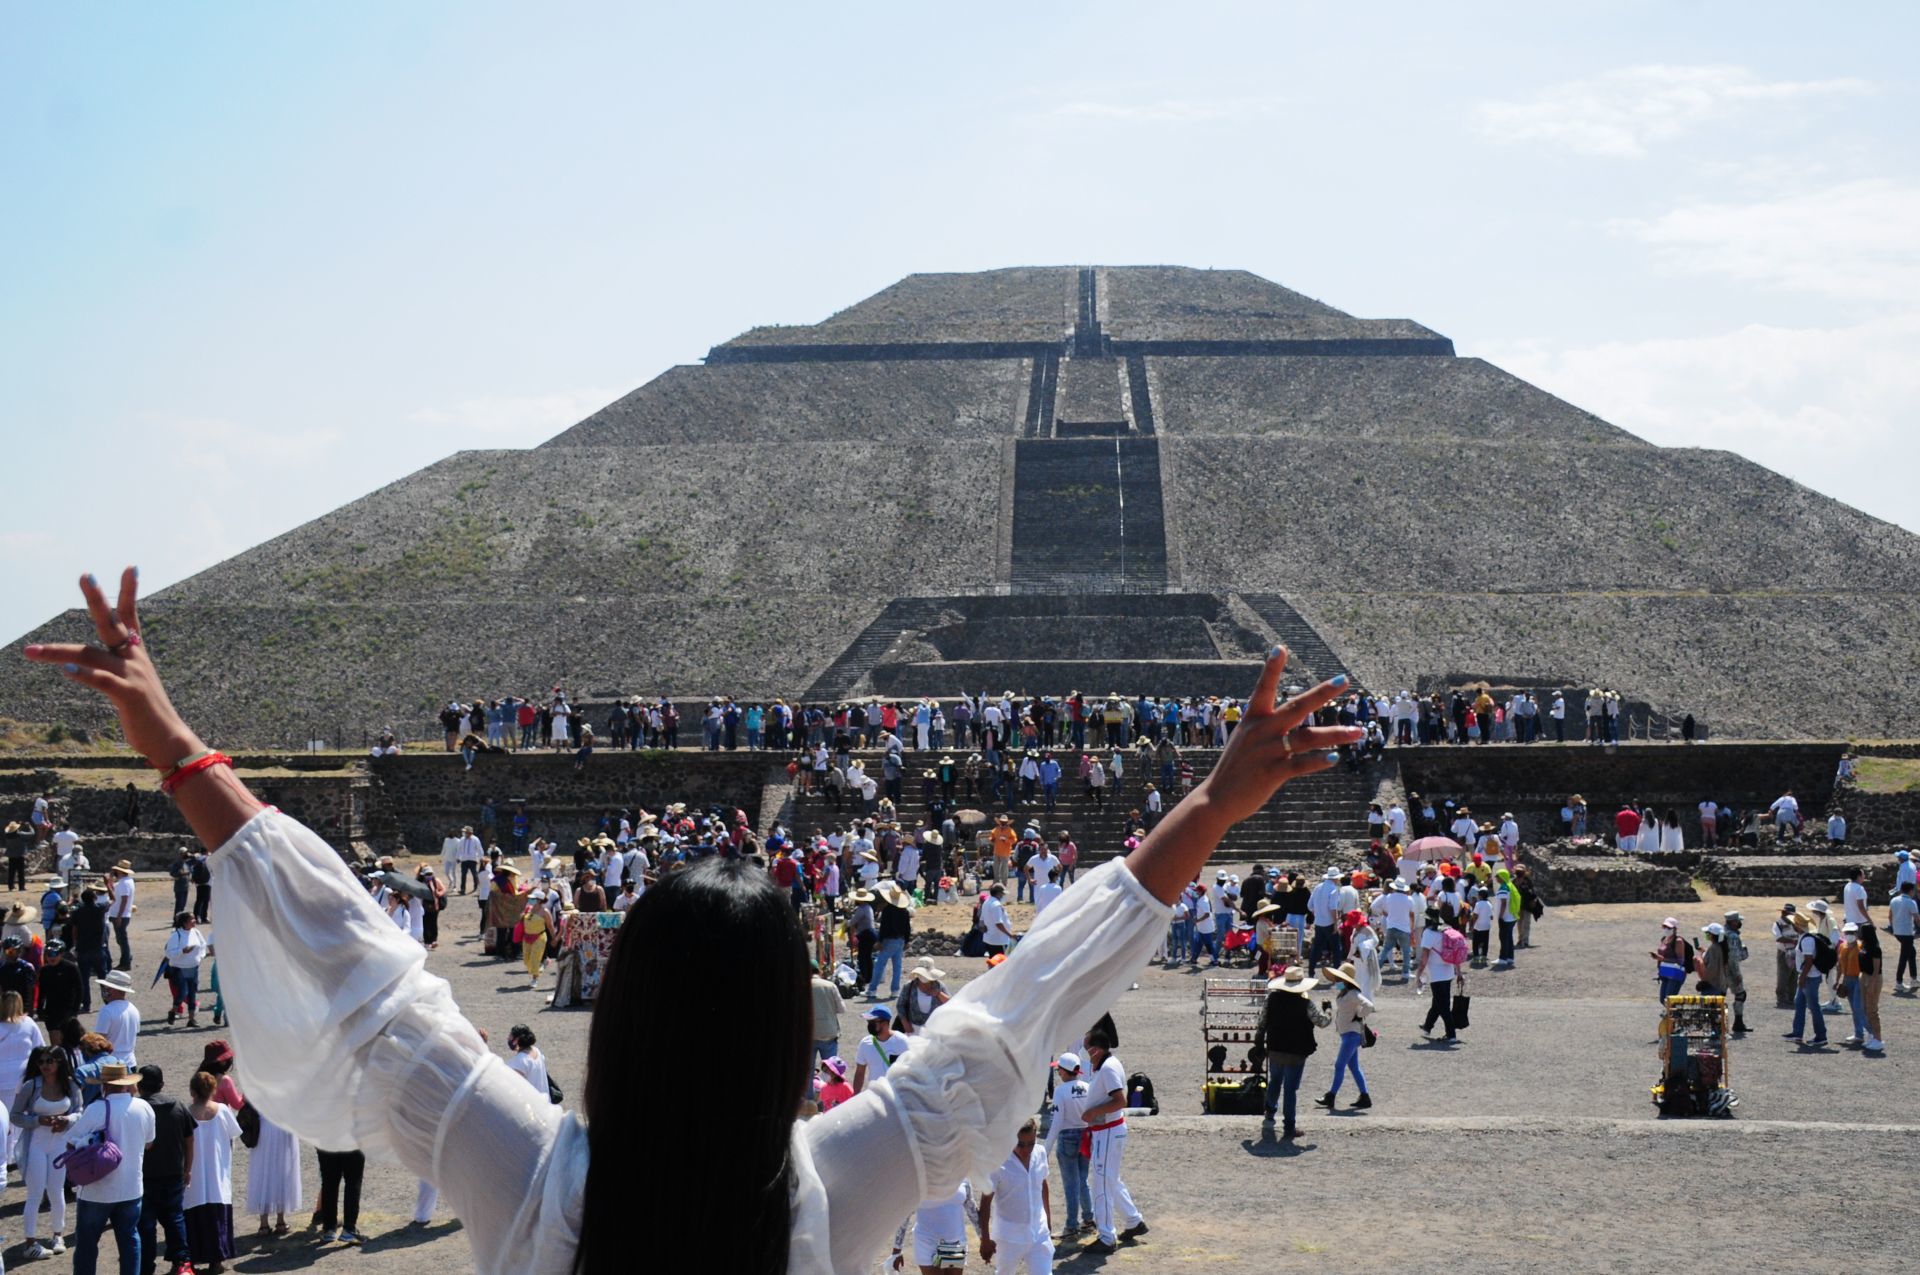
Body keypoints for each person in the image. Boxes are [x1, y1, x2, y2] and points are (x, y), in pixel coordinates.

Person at [23, 581, 1360, 1275]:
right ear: (797, 1040)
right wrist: (1216, 793)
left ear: (626, 1018)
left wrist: (174, 738)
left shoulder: (518, 1164)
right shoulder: (848, 1172)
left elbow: (357, 968)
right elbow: (1032, 994)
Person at [66, 1062, 157, 1275]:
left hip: (97, 1189)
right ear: (126, 1084)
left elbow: (71, 1141)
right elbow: (149, 1143)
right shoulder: (144, 1107)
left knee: (87, 1244)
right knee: (129, 1240)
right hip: (131, 1188)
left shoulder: (96, 1109)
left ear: (104, 1085)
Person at [1077, 1026, 1146, 1253]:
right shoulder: (1107, 1065)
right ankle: (1133, 1221)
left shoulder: (1107, 1069)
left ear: (1096, 1050)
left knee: (1102, 1184)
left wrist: (1092, 1113)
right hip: (1108, 1131)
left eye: (1087, 1049)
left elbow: (1120, 1100)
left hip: (1107, 1132)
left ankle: (1106, 1237)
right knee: (1110, 1180)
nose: (1085, 1053)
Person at [13, 1044, 83, 1259]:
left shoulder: (70, 1085)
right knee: (35, 1193)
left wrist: (67, 1120)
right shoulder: (31, 1086)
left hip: (59, 1144)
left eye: (49, 1061)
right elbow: (15, 1115)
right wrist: (37, 1120)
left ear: (59, 1063)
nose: (45, 1066)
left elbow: (80, 1111)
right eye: (41, 1062)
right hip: (36, 1144)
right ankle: (30, 1241)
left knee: (57, 1190)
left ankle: (57, 1235)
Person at [137, 1064, 196, 1275]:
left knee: (146, 1226)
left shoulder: (136, 1108)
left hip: (143, 1177)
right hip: (173, 1173)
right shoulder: (178, 1106)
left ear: (138, 1085)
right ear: (162, 1084)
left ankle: (145, 1268)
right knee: (175, 1219)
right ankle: (183, 1264)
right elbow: (189, 1139)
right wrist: (187, 1168)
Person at [184, 1070, 243, 1275]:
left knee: (193, 1216)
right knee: (217, 1216)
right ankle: (216, 1260)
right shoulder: (223, 1111)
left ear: (192, 1091)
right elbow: (234, 1134)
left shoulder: (186, 1112)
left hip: (194, 1174)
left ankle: (193, 1258)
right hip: (217, 1172)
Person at [978, 1118, 1051, 1275]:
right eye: (1020, 1144)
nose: (1026, 1149)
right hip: (1008, 1237)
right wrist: (985, 1239)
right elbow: (985, 1203)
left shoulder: (1040, 1152)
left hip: (1039, 1232)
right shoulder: (997, 1163)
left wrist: (1048, 1222)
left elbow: (1043, 1186)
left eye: (1031, 1143)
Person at [1315, 961, 1375, 1111]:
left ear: (1345, 980)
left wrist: (1359, 1016)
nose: (1336, 981)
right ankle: (1365, 1097)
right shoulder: (1346, 993)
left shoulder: (1353, 994)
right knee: (1354, 1067)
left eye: (1339, 979)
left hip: (1351, 1035)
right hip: (1348, 1034)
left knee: (1339, 1065)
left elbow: (1369, 1006)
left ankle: (1331, 1096)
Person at [1046, 1053, 1094, 1239]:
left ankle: (1071, 1225)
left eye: (1059, 1070)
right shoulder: (1088, 1087)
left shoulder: (1061, 1091)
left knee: (1070, 1184)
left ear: (1064, 1071)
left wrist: (1046, 1149)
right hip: (1085, 1136)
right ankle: (1088, 1219)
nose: (1058, 1072)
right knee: (1083, 1180)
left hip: (1067, 1137)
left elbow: (1057, 1121)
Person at [246, 1107, 301, 1237]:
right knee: (282, 1172)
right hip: (282, 1128)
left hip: (262, 1127)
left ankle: (263, 1223)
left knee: (262, 1172)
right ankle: (280, 1220)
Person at [1417, 909, 1460, 1041]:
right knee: (1438, 1002)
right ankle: (1427, 1027)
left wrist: (1419, 972)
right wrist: (1459, 972)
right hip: (1448, 971)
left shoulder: (1429, 933)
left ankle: (1451, 1034)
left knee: (1442, 1005)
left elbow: (1425, 956)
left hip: (1436, 973)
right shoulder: (1446, 930)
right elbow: (1455, 953)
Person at [1786, 914, 1828, 1045]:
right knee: (1799, 1003)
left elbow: (1808, 961)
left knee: (1813, 1006)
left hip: (1809, 978)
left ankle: (1821, 1036)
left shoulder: (1806, 940)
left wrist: (1802, 978)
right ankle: (1797, 1033)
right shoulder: (1804, 937)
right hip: (1807, 976)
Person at [851, 1004, 911, 1094]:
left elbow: (910, 1071)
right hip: (875, 1094)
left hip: (897, 1094)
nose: (869, 1025)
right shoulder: (865, 1044)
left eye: (873, 1022)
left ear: (885, 1023)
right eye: (869, 1022)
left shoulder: (902, 1042)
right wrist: (855, 1094)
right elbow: (860, 1073)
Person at [162, 912, 208, 1027]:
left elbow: (203, 945)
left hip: (194, 967)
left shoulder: (196, 932)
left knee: (192, 993)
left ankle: (191, 1019)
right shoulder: (176, 935)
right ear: (184, 922)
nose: (194, 921)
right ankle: (173, 1011)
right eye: (191, 919)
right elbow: (168, 953)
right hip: (180, 968)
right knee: (183, 992)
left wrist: (200, 957)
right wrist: (182, 951)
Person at [312, 1148, 366, 1245]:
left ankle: (329, 1229)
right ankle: (349, 1229)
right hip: (352, 1140)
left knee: (329, 1183)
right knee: (353, 1182)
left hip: (326, 1141)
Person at [95, 969, 141, 1066]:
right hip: (130, 1063)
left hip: (112, 1065)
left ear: (115, 990)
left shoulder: (107, 1010)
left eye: (108, 988)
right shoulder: (134, 1009)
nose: (105, 991)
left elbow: (99, 1040)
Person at [895, 960, 948, 1032]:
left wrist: (938, 994)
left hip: (935, 1029)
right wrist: (906, 1024)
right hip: (913, 1028)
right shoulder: (909, 986)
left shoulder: (939, 986)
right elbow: (900, 1005)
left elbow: (950, 1004)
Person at [810, 962, 845, 1061]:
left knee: (807, 1072)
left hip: (808, 1034)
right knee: (831, 1071)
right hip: (829, 1033)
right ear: (819, 971)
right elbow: (842, 1009)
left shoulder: (800, 987)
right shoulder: (830, 986)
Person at [1651, 918, 1691, 1003]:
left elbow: (1680, 961)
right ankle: (1675, 1014)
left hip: (1675, 974)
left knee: (1669, 1000)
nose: (1666, 929)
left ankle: (1675, 1015)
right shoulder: (1664, 939)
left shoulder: (1678, 941)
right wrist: (1659, 970)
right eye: (1664, 927)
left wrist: (1662, 959)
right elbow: (1661, 955)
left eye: (1669, 928)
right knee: (1663, 1000)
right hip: (1666, 972)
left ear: (1675, 929)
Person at [106, 862, 137, 971]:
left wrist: (119, 916)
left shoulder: (124, 883)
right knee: (121, 939)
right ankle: (126, 958)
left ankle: (125, 961)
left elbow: (124, 900)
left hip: (120, 915)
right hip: (120, 914)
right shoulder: (125, 881)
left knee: (122, 939)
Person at [505, 1025, 549, 1096]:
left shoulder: (520, 1061)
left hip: (531, 1104)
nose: (508, 1038)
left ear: (516, 1040)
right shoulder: (536, 1050)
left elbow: (509, 1084)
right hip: (544, 1100)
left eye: (510, 1036)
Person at [1891, 882, 1919, 991]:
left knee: (1911, 953)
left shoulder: (1894, 900)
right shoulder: (1911, 902)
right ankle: (1899, 982)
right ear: (1911, 891)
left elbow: (1890, 916)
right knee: (1904, 957)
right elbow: (1917, 919)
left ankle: (1914, 978)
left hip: (1897, 932)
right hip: (1907, 933)